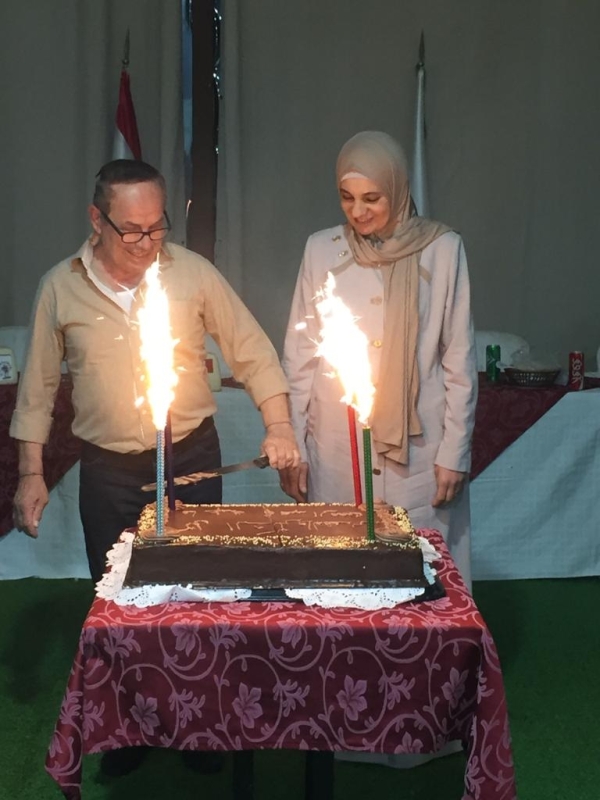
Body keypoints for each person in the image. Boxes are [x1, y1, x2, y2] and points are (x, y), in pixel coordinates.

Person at [10, 158, 300, 776]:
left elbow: (251, 349)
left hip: (191, 454)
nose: (147, 242)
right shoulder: (60, 287)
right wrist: (31, 473)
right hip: (110, 472)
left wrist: (278, 426)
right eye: (131, 230)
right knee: (121, 604)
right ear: (97, 220)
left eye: (157, 226)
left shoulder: (191, 273)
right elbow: (35, 391)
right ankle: (130, 732)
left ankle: (200, 729)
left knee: (198, 598)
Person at [280, 129, 477, 770]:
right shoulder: (322, 249)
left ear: (397, 189)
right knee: (346, 584)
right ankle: (347, 725)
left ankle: (426, 726)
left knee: (422, 586)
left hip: (419, 448)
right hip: (338, 448)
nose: (359, 212)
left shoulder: (443, 248)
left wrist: (455, 451)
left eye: (373, 198)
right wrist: (293, 440)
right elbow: (299, 353)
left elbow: (458, 359)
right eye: (347, 198)